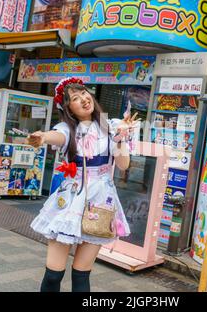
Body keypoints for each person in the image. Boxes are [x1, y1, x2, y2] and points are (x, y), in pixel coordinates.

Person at [27, 77, 136, 292]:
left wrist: (121, 138)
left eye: (85, 93)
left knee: (82, 274)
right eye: (75, 98)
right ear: (68, 108)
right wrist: (43, 137)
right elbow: (58, 136)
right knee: (53, 273)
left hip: (101, 202)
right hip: (72, 199)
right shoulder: (68, 128)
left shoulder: (111, 125)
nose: (84, 99)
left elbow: (123, 165)